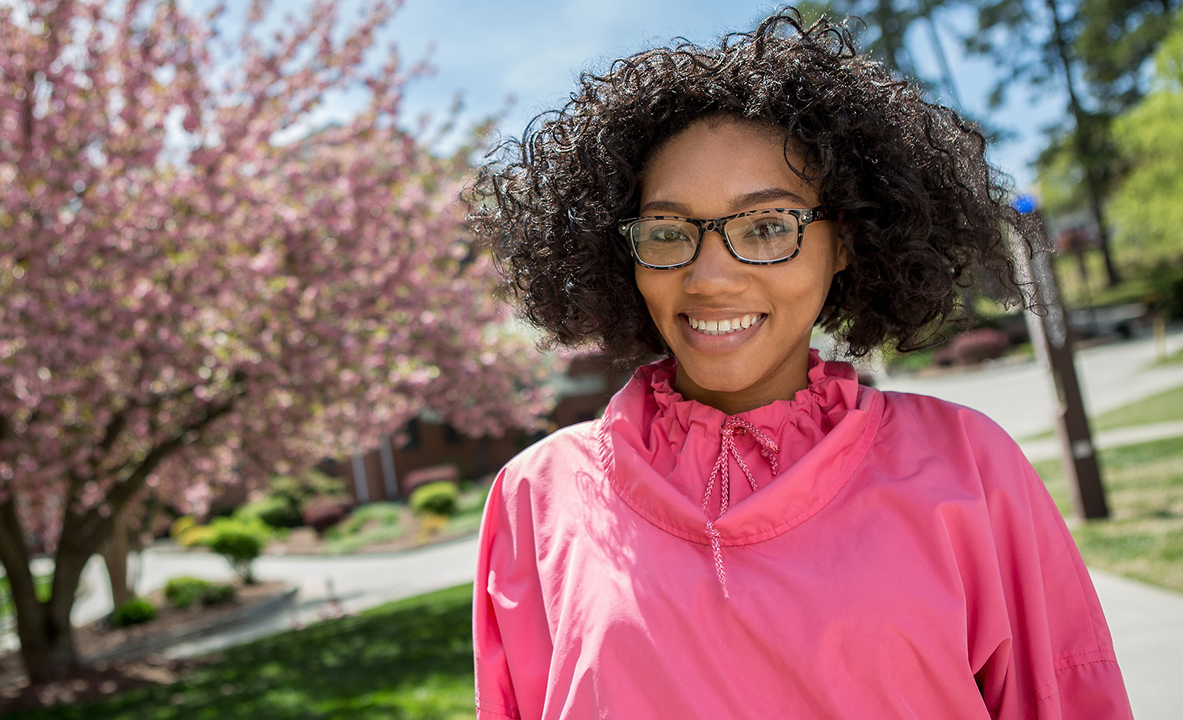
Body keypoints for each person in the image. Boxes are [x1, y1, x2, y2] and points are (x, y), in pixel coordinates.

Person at [467, 10, 1133, 720]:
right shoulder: (534, 499)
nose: (710, 277)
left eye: (767, 227)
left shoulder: (970, 469)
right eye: (667, 232)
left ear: (845, 240)